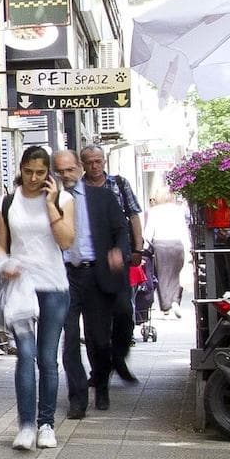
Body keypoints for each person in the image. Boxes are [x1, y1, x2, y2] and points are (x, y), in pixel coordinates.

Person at [0, 146, 77, 450]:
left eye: (40, 172)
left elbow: (67, 241)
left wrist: (52, 204)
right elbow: (2, 247)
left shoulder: (64, 200)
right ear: (20, 168)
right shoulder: (5, 202)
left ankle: (46, 424)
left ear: (49, 174)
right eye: (28, 171)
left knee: (47, 359)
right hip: (21, 288)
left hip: (54, 287)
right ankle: (26, 425)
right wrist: (4, 266)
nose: (33, 178)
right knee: (25, 357)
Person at [53, 150, 132, 419]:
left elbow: (121, 229)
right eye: (60, 171)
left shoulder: (102, 197)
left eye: (70, 170)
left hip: (95, 274)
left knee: (99, 338)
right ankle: (77, 398)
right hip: (64, 276)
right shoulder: (51, 201)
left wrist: (118, 251)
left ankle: (101, 382)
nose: (66, 175)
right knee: (71, 338)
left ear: (79, 168)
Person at [80, 145, 142, 382]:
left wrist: (137, 247)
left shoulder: (119, 183)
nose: (95, 166)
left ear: (104, 161)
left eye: (98, 161)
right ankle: (98, 371)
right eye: (89, 162)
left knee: (124, 311)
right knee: (94, 320)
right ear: (83, 165)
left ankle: (119, 357)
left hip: (118, 258)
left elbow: (133, 214)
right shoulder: (79, 189)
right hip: (90, 261)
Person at [146, 186, 189, 316]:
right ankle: (175, 300)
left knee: (163, 277)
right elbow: (183, 230)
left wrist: (144, 247)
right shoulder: (178, 210)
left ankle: (166, 306)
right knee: (176, 275)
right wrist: (188, 247)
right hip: (177, 245)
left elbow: (148, 231)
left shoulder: (154, 211)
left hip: (161, 245)